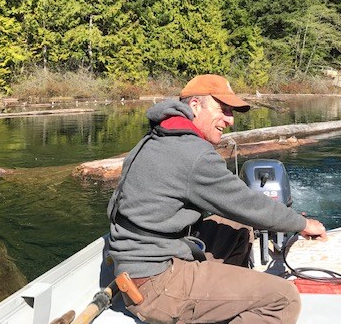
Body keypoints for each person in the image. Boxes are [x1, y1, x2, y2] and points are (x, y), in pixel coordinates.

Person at [107, 74, 327, 323]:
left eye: (231, 111)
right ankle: (216, 301)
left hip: (138, 267)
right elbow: (246, 203)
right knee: (284, 299)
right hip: (156, 285)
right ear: (194, 105)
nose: (230, 120)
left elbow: (239, 210)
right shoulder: (192, 153)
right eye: (222, 109)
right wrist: (302, 224)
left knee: (240, 227)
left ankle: (220, 300)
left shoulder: (156, 137)